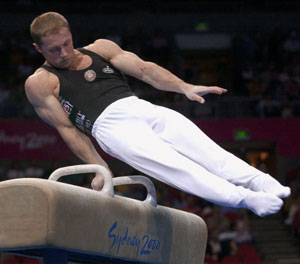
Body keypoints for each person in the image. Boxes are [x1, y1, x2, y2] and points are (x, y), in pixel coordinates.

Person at [25, 12, 290, 217]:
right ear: (39, 49)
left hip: (140, 108)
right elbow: (69, 130)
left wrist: (184, 87)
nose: (63, 53)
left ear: (71, 33)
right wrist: (99, 167)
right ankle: (243, 199)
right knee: (179, 168)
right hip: (110, 129)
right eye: (53, 50)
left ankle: (262, 182)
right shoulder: (41, 83)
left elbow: (145, 70)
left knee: (209, 151)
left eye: (66, 44)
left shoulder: (101, 49)